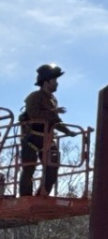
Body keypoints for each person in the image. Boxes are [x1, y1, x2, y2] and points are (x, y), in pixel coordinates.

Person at [19, 63, 75, 197]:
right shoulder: (34, 97)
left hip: (48, 138)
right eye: (54, 81)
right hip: (32, 138)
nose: (57, 84)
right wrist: (53, 111)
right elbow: (34, 114)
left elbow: (54, 120)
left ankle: (41, 196)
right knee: (29, 169)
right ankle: (26, 197)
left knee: (52, 169)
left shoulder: (52, 99)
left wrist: (67, 131)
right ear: (46, 82)